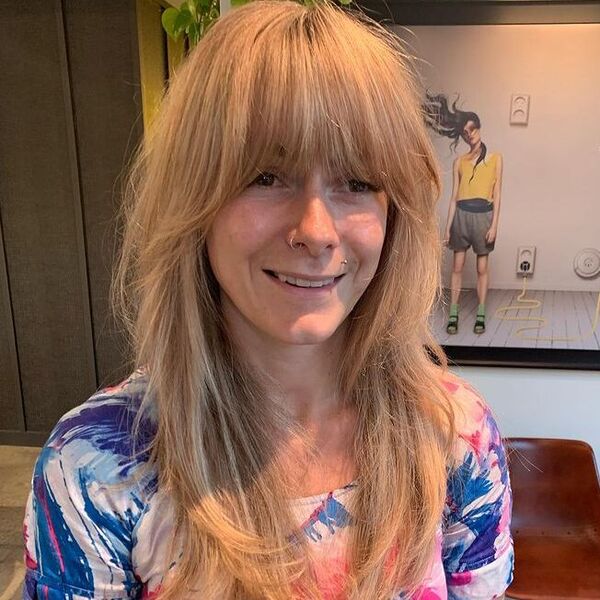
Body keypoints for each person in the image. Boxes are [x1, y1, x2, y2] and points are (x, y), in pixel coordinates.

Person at [22, 2, 513, 598]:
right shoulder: (98, 467)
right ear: (193, 200)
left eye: (357, 182)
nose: (317, 230)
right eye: (265, 175)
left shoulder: (455, 435)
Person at [426, 94, 503, 335]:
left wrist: (494, 225)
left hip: (483, 216)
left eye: (473, 130)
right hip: (461, 215)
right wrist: (448, 227)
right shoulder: (460, 161)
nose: (470, 135)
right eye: (465, 133)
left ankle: (480, 312)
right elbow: (454, 196)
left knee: (482, 268)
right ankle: (454, 313)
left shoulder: (495, 159)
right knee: (457, 266)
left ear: (479, 129)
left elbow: (498, 194)